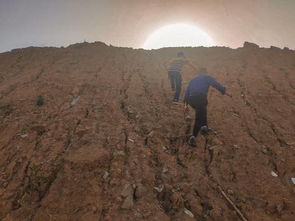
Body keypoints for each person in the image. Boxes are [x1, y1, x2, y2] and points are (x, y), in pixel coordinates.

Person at [184, 68, 226, 147]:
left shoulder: (193, 80)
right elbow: (215, 84)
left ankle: (204, 127)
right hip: (200, 97)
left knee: (202, 110)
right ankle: (193, 137)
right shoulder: (206, 77)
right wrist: (223, 90)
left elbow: (187, 91)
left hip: (191, 99)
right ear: (205, 73)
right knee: (199, 115)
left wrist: (185, 104)